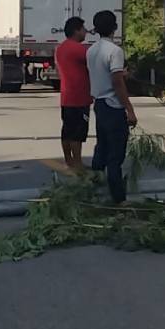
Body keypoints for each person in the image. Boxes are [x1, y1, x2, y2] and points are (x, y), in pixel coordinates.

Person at [87, 10, 136, 203]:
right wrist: (130, 109)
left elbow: (105, 74)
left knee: (102, 147)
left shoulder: (92, 50)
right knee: (115, 154)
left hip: (99, 103)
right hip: (113, 105)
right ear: (114, 28)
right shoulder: (115, 51)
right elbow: (116, 82)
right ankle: (118, 198)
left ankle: (94, 191)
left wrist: (119, 75)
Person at [54, 17, 92, 171]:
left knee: (67, 130)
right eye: (83, 29)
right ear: (76, 30)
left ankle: (69, 160)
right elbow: (95, 58)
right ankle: (77, 163)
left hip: (67, 97)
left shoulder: (61, 48)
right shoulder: (79, 49)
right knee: (78, 132)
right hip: (80, 98)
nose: (86, 32)